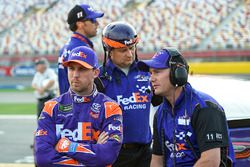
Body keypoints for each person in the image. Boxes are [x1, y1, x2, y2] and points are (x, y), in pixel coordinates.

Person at [137, 48, 235, 167]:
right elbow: (157, 160)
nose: (151, 78)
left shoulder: (204, 108)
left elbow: (210, 161)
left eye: (157, 72)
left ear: (177, 74)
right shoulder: (160, 113)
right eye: (151, 73)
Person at [35, 46, 123, 167]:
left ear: (95, 72)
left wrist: (65, 146)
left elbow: (107, 155)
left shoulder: (110, 108)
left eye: (82, 69)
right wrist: (92, 155)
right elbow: (43, 159)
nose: (75, 75)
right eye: (71, 68)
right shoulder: (51, 107)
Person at [99, 21, 153, 167]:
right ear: (109, 50)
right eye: (123, 50)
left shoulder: (148, 72)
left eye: (132, 48)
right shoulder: (98, 79)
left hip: (146, 153)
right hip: (115, 154)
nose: (129, 54)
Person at [58, 3, 104, 94]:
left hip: (70, 102)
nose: (97, 23)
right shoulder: (79, 48)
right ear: (80, 24)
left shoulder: (70, 45)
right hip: (80, 104)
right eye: (93, 20)